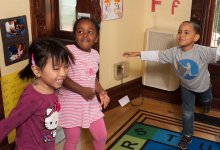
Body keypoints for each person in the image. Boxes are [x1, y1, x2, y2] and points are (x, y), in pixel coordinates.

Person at [122, 21, 220, 150]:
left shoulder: (202, 51)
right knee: (187, 113)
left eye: (186, 32)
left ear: (196, 38)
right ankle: (187, 135)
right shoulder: (174, 52)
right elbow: (158, 55)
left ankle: (206, 103)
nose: (181, 35)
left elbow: (217, 53)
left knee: (206, 99)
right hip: (186, 87)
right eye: (179, 31)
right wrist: (139, 53)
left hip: (203, 86)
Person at [0, 38, 74, 149]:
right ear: (37, 71)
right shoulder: (31, 97)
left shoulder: (52, 88)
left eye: (66, 66)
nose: (63, 73)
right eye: (56, 68)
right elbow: (10, 122)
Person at [58, 17, 110, 150]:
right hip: (71, 104)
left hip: (90, 103)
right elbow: (62, 77)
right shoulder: (68, 51)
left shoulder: (95, 55)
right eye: (80, 31)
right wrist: (81, 90)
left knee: (101, 136)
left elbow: (92, 77)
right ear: (75, 35)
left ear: (96, 38)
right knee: (72, 140)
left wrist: (101, 91)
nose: (85, 35)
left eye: (90, 32)